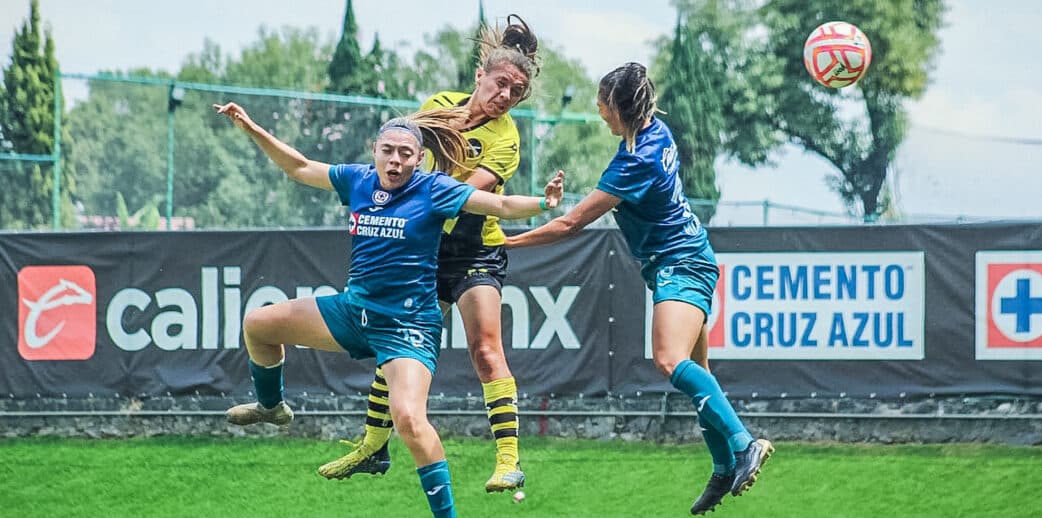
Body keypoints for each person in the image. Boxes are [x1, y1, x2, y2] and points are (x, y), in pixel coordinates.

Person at [213, 100, 563, 518]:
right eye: (388, 151)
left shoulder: (433, 188)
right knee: (258, 325)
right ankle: (272, 407)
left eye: (405, 153)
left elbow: (500, 206)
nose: (395, 160)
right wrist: (252, 127)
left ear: (418, 159)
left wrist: (544, 203)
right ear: (374, 150)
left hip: (408, 327)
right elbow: (300, 167)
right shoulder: (358, 180)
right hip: (353, 311)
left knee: (410, 420)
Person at [503, 62, 774, 515]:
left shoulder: (636, 160)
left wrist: (509, 242)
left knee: (669, 359)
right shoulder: (654, 132)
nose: (598, 110)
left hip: (680, 264)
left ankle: (745, 444)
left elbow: (572, 223)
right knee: (696, 373)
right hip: (686, 257)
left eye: (602, 103)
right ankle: (724, 465)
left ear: (618, 107)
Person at [318, 14, 541, 494]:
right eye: (501, 84)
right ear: (480, 76)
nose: (506, 96)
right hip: (427, 247)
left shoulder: (507, 139)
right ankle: (373, 447)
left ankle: (509, 460)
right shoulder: (438, 105)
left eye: (516, 93)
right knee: (394, 347)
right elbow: (405, 157)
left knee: (485, 348)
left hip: (476, 249)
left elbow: (463, 194)